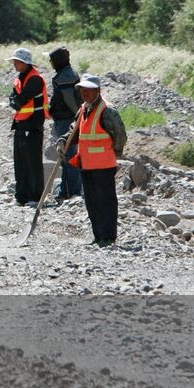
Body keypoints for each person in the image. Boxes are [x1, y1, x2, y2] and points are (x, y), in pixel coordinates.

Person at [69, 74, 127, 246]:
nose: (84, 93)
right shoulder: (83, 109)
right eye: (82, 89)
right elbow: (74, 131)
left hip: (103, 165)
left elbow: (120, 136)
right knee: (92, 201)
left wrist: (114, 152)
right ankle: (98, 236)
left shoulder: (107, 110)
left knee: (105, 201)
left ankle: (108, 237)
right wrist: (63, 141)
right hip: (86, 164)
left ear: (97, 90)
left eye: (88, 89)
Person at [8, 48, 48, 206]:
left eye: (17, 61)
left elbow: (20, 100)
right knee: (20, 162)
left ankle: (35, 197)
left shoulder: (35, 79)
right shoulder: (20, 78)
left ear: (25, 63)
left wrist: (15, 101)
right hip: (20, 124)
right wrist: (14, 101)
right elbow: (13, 98)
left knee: (32, 161)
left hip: (32, 125)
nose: (14, 64)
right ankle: (21, 196)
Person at [48, 46, 82, 202]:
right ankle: (67, 189)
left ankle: (71, 191)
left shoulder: (65, 76)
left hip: (66, 120)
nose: (50, 63)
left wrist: (78, 119)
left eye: (52, 60)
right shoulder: (67, 73)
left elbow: (70, 102)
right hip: (66, 119)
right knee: (67, 157)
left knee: (69, 156)